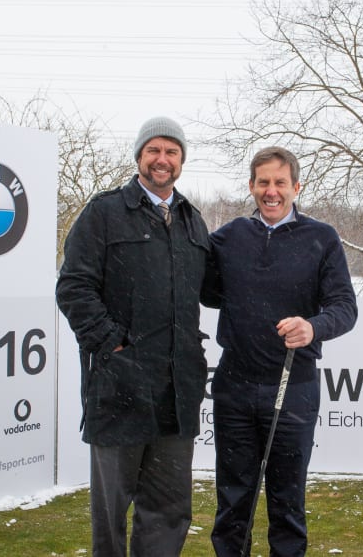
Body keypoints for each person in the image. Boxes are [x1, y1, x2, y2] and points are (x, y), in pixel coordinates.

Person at [56, 116, 213, 557]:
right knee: (111, 515)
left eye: (172, 152)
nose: (162, 160)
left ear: (181, 160)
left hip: (177, 394)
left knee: (169, 511)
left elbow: (217, 288)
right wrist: (112, 345)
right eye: (154, 151)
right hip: (119, 388)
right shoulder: (104, 212)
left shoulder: (191, 221)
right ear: (139, 156)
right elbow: (73, 287)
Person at [206, 146, 357, 556]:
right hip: (234, 388)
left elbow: (345, 308)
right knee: (233, 502)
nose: (271, 192)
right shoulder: (228, 237)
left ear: (296, 186)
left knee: (287, 503)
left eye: (280, 183)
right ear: (252, 186)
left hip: (294, 388)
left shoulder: (321, 238)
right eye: (263, 183)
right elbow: (202, 289)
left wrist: (312, 327)